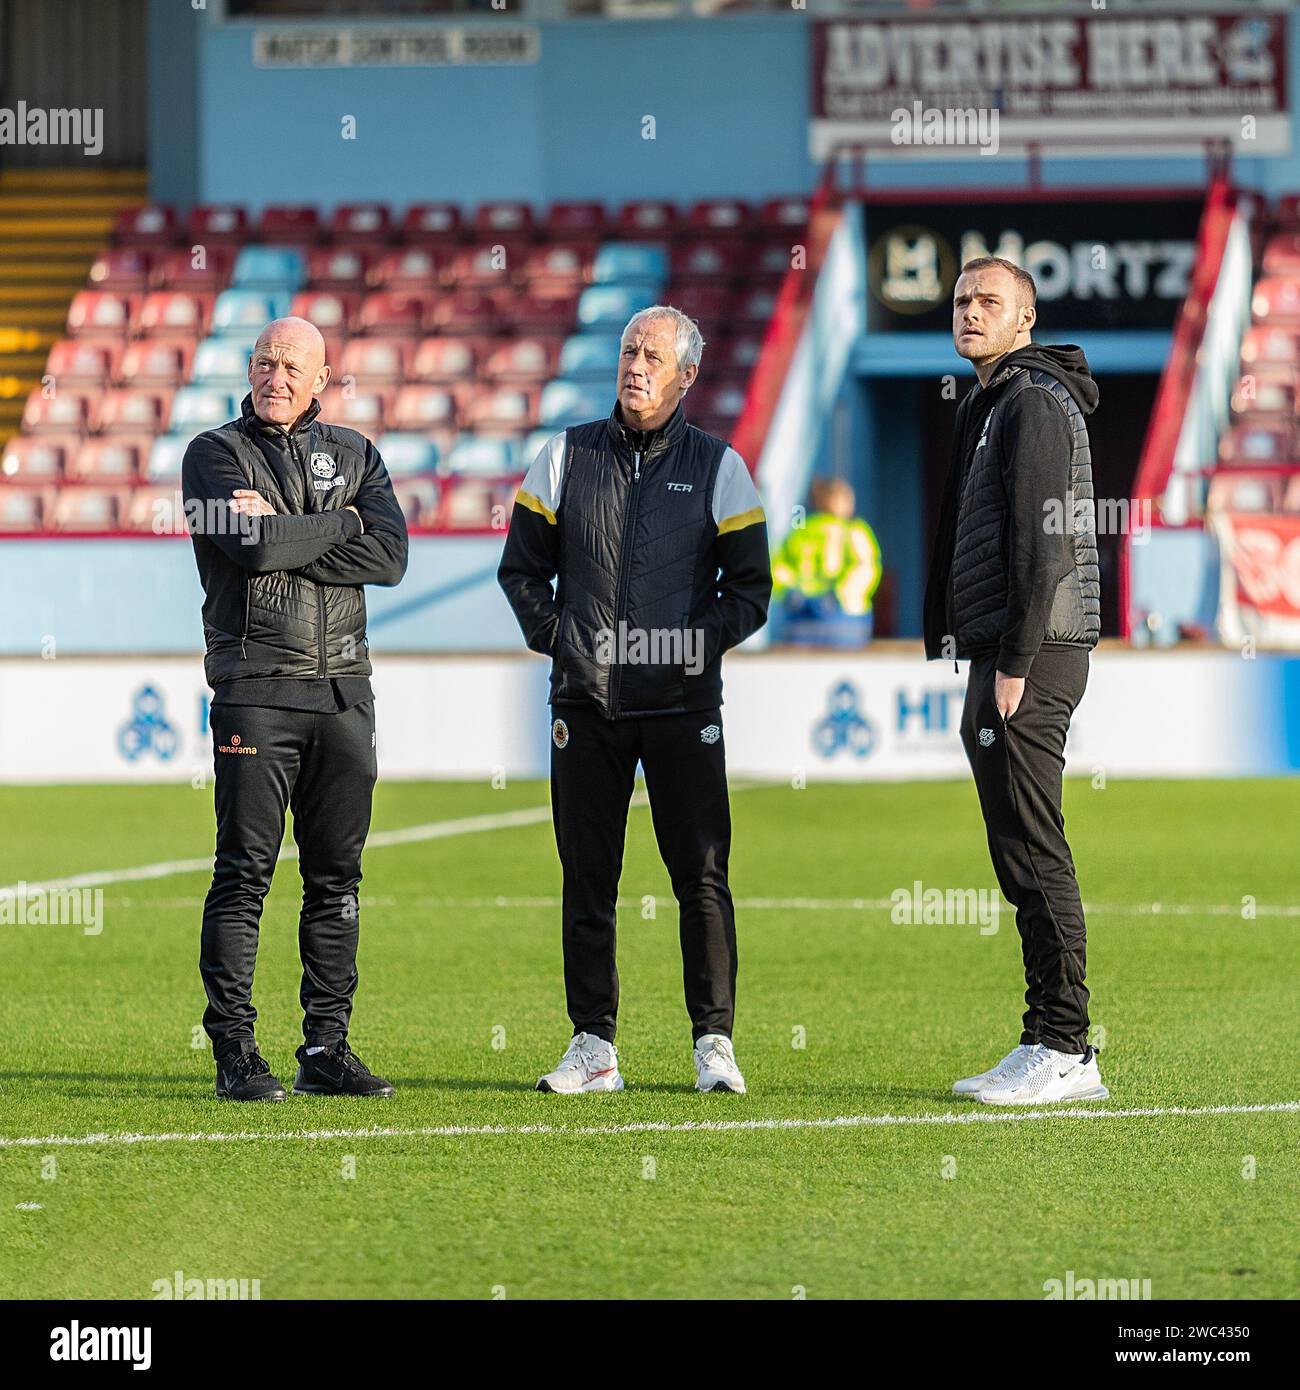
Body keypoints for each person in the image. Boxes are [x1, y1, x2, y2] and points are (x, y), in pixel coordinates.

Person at [498, 305, 771, 1095]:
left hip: (684, 708)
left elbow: (749, 592)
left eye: (653, 355)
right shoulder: (563, 456)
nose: (635, 365)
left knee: (702, 876)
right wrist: (565, 639)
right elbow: (520, 574)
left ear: (686, 375)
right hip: (584, 705)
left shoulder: (721, 467)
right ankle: (593, 1048)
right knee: (589, 879)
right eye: (628, 351)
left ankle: (713, 1045)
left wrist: (687, 650)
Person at [181, 316, 408, 1102]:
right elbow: (251, 550)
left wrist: (293, 527)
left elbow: (391, 556)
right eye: (264, 361)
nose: (275, 375)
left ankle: (325, 1048)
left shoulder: (357, 453)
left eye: (292, 365)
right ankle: (235, 1054)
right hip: (255, 689)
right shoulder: (211, 454)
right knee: (244, 875)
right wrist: (340, 522)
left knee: (336, 879)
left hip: (345, 690)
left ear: (322, 377)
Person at [922, 257, 1106, 1106]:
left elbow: (1045, 547)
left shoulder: (1029, 400)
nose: (970, 311)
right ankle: (1043, 1034)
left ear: (1024, 319)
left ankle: (1068, 1047)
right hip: (1005, 647)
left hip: (1031, 651)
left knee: (1033, 845)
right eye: (961, 300)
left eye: (989, 301)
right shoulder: (997, 400)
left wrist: (1017, 664)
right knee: (1015, 847)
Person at [771, 476, 881, 645]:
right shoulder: (853, 531)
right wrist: (840, 595)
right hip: (845, 619)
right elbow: (865, 568)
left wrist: (790, 592)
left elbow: (779, 567)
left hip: (800, 618)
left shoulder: (799, 532)